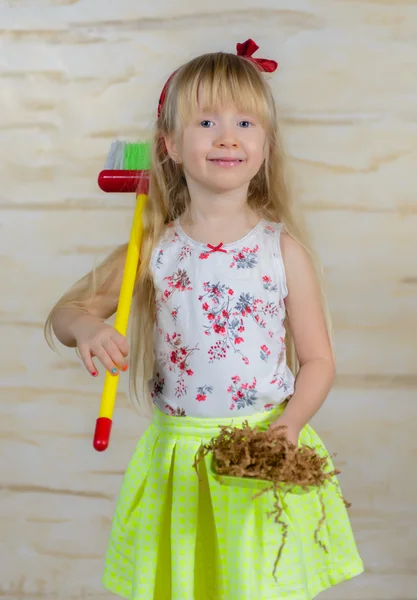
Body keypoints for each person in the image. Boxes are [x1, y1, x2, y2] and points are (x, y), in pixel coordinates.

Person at [46, 39, 364, 599]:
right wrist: (89, 329)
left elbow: (317, 360)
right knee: (191, 585)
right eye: (206, 121)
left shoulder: (279, 250)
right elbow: (66, 312)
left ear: (265, 144)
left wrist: (290, 425)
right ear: (168, 144)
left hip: (260, 451)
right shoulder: (154, 248)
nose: (227, 136)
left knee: (256, 587)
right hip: (182, 459)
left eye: (245, 121)